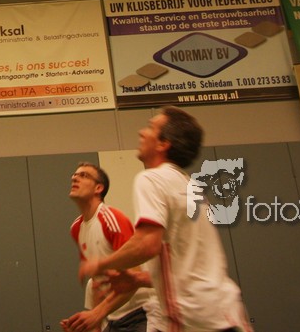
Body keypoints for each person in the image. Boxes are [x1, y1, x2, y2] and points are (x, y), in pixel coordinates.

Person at [81, 107, 251, 332]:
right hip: (225, 310)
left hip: (194, 317)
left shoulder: (152, 179)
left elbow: (146, 244)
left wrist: (100, 264)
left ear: (163, 144)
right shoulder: (190, 185)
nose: (141, 132)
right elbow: (189, 270)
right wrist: (139, 279)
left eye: (150, 128)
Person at [61, 163, 158, 332]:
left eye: (83, 175)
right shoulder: (76, 228)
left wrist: (96, 314)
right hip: (113, 318)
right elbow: (97, 283)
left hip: (141, 313)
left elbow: (133, 279)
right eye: (74, 175)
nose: (74, 178)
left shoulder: (112, 218)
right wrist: (92, 325)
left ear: (98, 188)